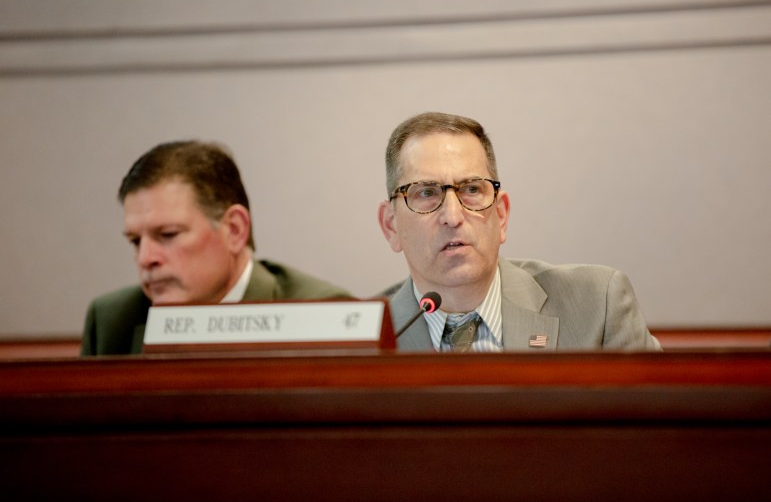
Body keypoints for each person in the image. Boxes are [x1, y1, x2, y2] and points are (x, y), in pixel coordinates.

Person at [377, 112, 660, 351]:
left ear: (501, 216)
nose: (452, 217)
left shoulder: (597, 307)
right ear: (391, 226)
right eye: (426, 192)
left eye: (472, 189)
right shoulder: (368, 335)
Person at [82, 140, 350, 355]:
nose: (145, 258)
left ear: (234, 230)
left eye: (167, 234)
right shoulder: (112, 322)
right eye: (135, 241)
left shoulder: (323, 314)